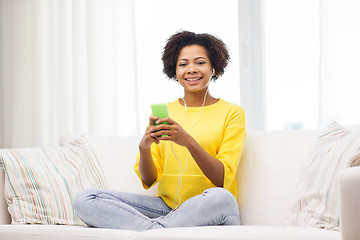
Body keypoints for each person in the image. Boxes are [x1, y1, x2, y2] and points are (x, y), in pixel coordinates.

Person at [73, 30, 246, 231]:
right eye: (183, 64)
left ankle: (150, 231)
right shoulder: (167, 112)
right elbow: (149, 179)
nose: (191, 69)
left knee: (221, 198)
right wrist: (144, 147)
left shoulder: (232, 112)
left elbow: (222, 178)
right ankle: (158, 231)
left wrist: (187, 141)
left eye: (200, 62)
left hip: (211, 207)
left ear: (214, 68)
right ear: (174, 70)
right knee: (86, 198)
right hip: (167, 209)